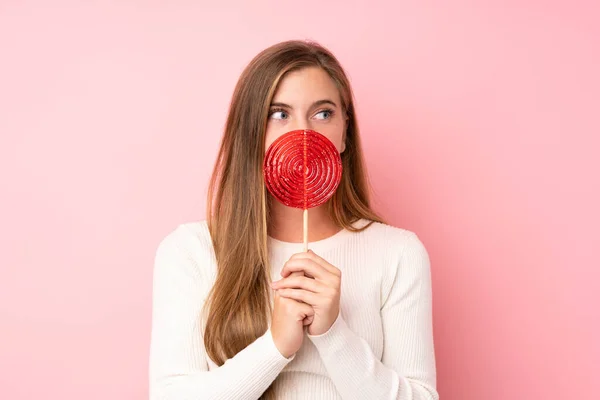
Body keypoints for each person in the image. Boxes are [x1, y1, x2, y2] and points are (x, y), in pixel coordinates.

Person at [148, 39, 438, 400]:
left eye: (323, 113)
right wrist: (276, 346)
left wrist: (332, 333)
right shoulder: (191, 251)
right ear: (251, 133)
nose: (303, 135)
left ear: (344, 132)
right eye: (279, 114)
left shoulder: (398, 253)